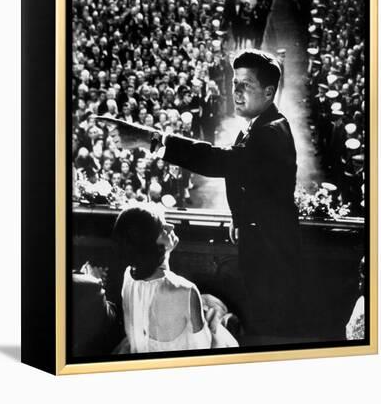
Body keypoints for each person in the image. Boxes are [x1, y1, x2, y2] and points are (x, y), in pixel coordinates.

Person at [101, 50, 302, 343]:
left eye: (246, 85)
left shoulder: (270, 132)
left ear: (269, 92)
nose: (236, 92)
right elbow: (246, 176)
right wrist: (240, 218)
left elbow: (218, 162)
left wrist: (149, 138)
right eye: (235, 84)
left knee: (268, 325)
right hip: (261, 241)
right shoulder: (257, 126)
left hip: (272, 255)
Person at [112, 204, 238, 353]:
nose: (171, 227)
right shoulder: (186, 290)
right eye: (162, 229)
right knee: (221, 315)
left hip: (141, 350)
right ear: (151, 246)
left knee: (209, 303)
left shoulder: (129, 276)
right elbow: (202, 346)